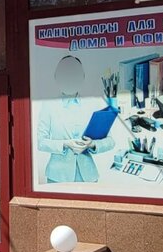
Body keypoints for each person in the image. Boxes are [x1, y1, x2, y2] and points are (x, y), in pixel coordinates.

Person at [37, 55, 114, 183]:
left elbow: (110, 141)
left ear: (82, 77)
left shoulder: (91, 104)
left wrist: (92, 144)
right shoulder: (49, 105)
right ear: (57, 77)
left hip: (88, 176)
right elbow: (40, 142)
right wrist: (65, 144)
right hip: (58, 177)